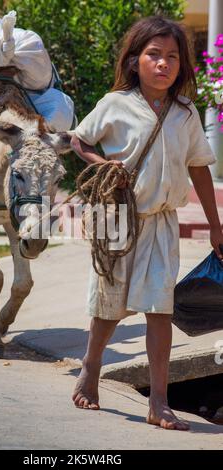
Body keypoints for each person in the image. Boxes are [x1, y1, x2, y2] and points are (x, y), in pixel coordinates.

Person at [70, 15, 223, 431]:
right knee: (109, 303)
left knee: (160, 308)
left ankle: (159, 401)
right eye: (154, 55)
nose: (163, 64)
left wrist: (215, 223)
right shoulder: (114, 103)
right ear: (135, 60)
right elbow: (79, 140)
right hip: (117, 217)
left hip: (161, 221)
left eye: (172, 57)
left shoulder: (186, 113)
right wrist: (103, 165)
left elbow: (200, 168)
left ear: (181, 65)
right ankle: (91, 366)